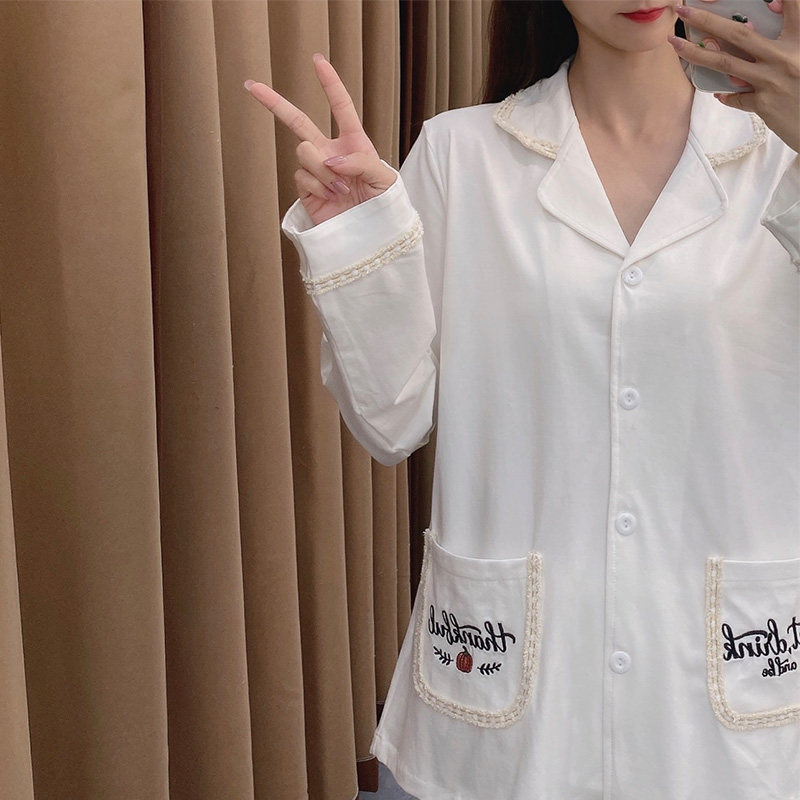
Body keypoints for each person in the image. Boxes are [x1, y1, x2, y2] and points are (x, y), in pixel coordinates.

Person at [245, 1, 800, 797]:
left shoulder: (781, 155)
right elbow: (392, 420)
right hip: (520, 689)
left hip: (733, 683)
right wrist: (359, 238)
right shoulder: (461, 154)